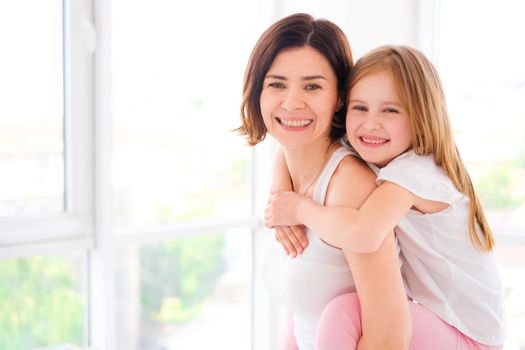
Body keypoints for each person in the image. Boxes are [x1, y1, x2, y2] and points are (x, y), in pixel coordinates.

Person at [265, 45, 506, 349]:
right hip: (438, 320)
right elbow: (289, 149)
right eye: (360, 108)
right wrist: (279, 192)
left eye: (390, 110)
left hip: (470, 338)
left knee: (343, 313)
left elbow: (362, 233)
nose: (371, 123)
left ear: (421, 117)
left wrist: (299, 209)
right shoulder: (378, 152)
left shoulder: (415, 173)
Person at [236, 13, 411, 350]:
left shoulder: (349, 187)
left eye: (312, 86)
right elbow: (301, 314)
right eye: (277, 84)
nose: (291, 102)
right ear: (258, 90)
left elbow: (391, 336)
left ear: (340, 98)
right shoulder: (288, 172)